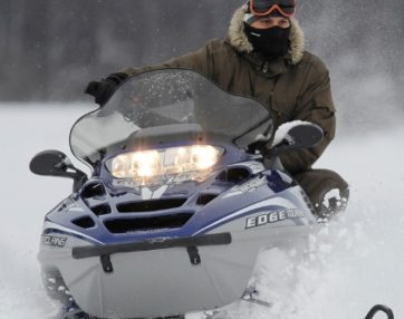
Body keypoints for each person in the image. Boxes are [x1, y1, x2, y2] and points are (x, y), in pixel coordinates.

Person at [85, 0, 348, 219]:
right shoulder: (217, 57)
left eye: (281, 24)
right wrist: (125, 84)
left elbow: (319, 127)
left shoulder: (310, 70)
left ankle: (302, 264)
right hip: (208, 166)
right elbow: (172, 77)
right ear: (248, 22)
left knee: (329, 187)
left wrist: (271, 158)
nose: (275, 30)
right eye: (266, 23)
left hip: (273, 169)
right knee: (136, 182)